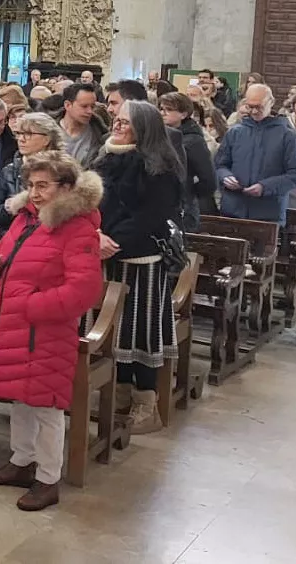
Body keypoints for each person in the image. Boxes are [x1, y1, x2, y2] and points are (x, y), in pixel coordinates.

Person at [0, 151, 105, 511]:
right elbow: (5, 257)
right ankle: (21, 461)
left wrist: (32, 306)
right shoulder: (26, 220)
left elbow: (84, 289)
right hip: (15, 326)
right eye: (31, 185)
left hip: (46, 332)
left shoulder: (77, 227)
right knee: (22, 399)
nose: (34, 192)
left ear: (65, 187)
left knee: (46, 406)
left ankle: (48, 479)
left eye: (43, 186)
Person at [93, 99, 184, 434]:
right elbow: (89, 201)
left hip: (140, 261)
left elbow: (149, 217)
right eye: (116, 121)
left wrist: (110, 242)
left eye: (125, 123)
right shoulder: (105, 157)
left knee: (140, 332)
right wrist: (94, 234)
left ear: (144, 129)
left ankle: (147, 404)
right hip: (106, 254)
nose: (117, 126)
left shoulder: (159, 168)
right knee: (115, 332)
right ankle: (119, 394)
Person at [215, 83, 296, 226]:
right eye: (250, 106)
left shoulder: (287, 135)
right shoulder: (235, 132)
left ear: (271, 102)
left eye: (259, 106)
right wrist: (225, 177)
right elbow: (220, 165)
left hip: (268, 214)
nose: (254, 111)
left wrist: (265, 187)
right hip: (233, 210)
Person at [0, 112, 64, 230]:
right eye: (19, 134)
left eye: (28, 134)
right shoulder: (9, 170)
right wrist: (10, 207)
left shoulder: (64, 170)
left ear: (47, 139)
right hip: (16, 238)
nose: (21, 139)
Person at [159, 92, 216, 232]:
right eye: (161, 109)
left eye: (169, 110)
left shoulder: (193, 140)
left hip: (184, 207)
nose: (163, 113)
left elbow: (208, 179)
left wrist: (188, 192)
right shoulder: (161, 134)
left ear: (183, 114)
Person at [59, 83, 105, 167]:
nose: (90, 111)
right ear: (68, 105)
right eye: (84, 106)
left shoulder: (99, 135)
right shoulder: (47, 132)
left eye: (92, 106)